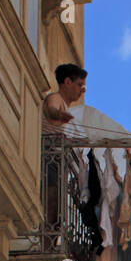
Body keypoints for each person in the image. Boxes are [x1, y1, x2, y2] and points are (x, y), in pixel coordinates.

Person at [42, 64, 87, 226]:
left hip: (56, 163)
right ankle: (47, 245)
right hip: (49, 159)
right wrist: (59, 114)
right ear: (67, 82)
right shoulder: (56, 99)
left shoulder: (66, 106)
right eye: (80, 85)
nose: (83, 90)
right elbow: (50, 110)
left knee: (57, 212)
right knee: (52, 206)